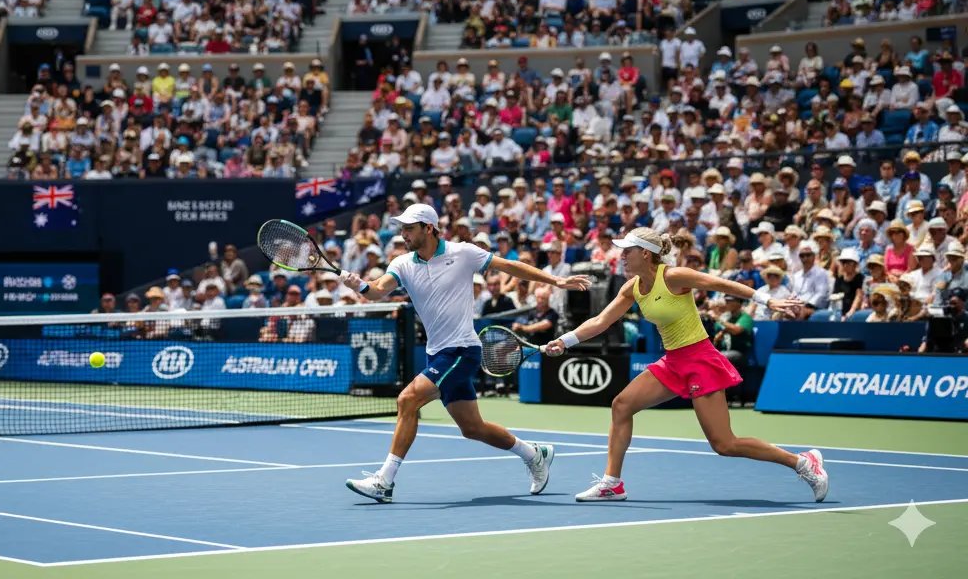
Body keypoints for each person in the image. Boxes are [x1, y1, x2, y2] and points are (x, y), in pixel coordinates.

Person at [544, 227, 828, 503]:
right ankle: (612, 484)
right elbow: (600, 322)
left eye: (627, 251)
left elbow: (720, 284)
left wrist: (767, 300)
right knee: (622, 405)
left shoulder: (674, 276)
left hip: (700, 359)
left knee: (724, 444)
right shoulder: (632, 288)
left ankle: (803, 463)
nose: (621, 256)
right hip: (672, 361)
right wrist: (565, 341)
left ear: (645, 254)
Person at [340, 203, 593, 502]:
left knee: (407, 399)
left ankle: (385, 481)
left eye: (410, 228)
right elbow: (379, 289)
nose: (404, 234)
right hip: (437, 354)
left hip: (462, 350)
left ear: (429, 228)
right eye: (402, 228)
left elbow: (508, 266)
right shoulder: (403, 263)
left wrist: (556, 281)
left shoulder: (463, 253)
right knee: (472, 428)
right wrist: (360, 286)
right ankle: (535, 454)